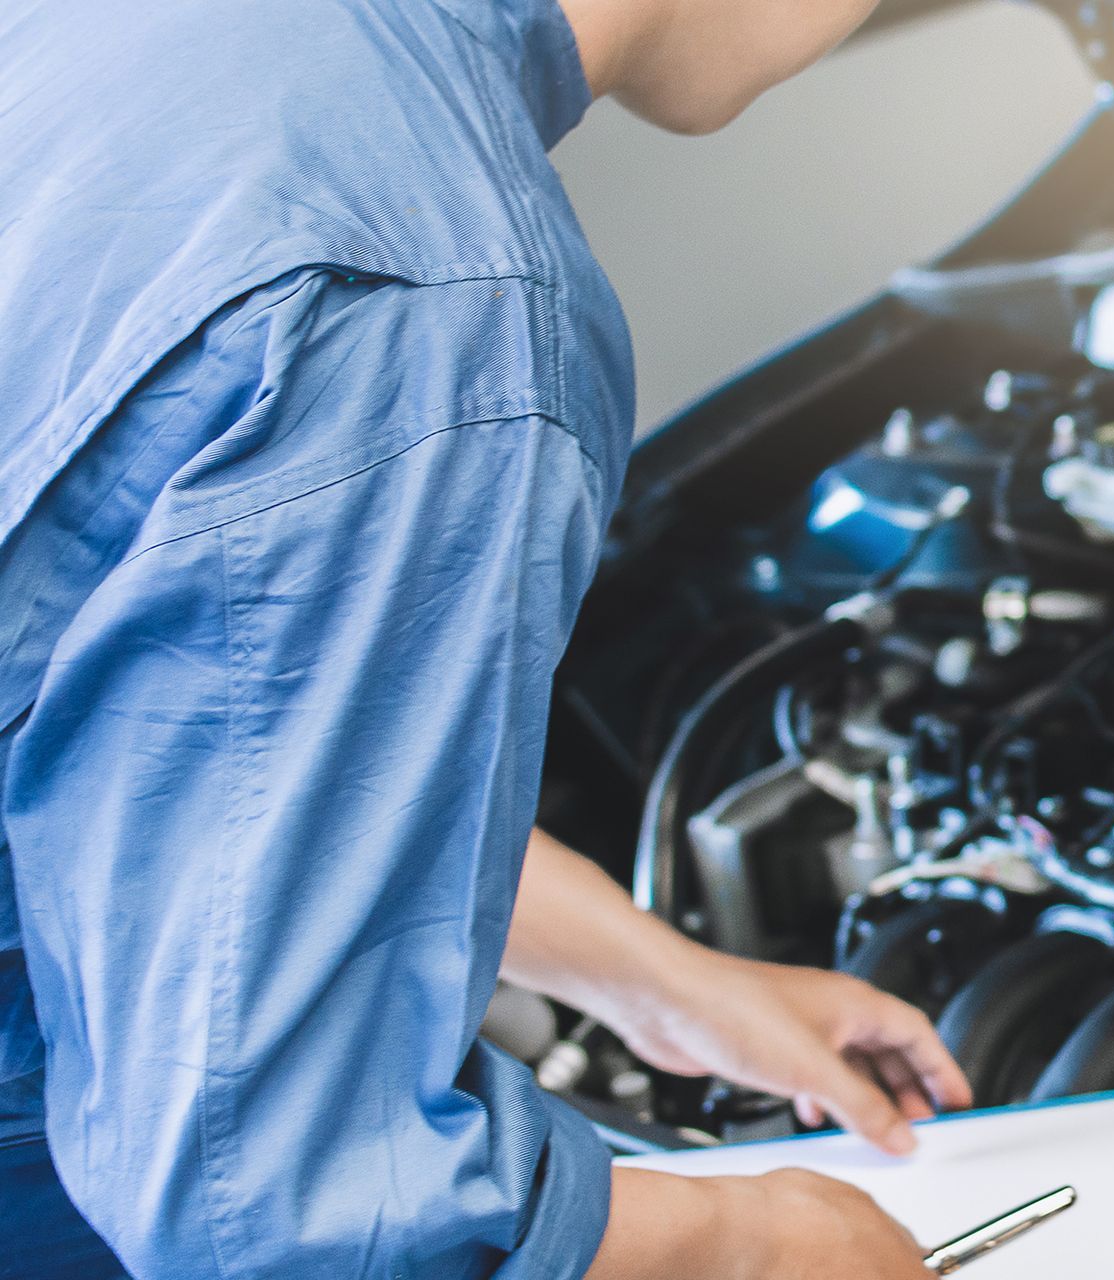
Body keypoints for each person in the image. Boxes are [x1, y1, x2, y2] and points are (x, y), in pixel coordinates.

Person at [0, 0, 969, 1276]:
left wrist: (654, 978)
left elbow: (184, 728)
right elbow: (276, 1219)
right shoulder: (430, 314)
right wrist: (750, 1243)